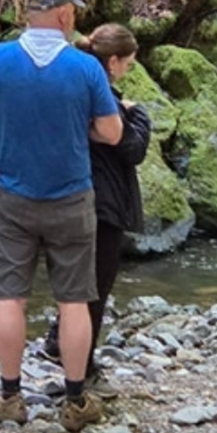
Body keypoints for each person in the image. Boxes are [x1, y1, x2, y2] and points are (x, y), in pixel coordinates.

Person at [0, 0, 123, 433]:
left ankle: (9, 397)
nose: (75, 18)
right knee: (75, 300)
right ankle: (75, 400)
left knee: (10, 297)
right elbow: (114, 132)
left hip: (12, 197)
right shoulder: (85, 68)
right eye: (73, 12)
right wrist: (84, 129)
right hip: (72, 199)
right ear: (63, 15)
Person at [44, 23, 151, 383]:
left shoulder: (74, 89)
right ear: (114, 61)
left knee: (77, 280)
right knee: (96, 289)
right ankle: (82, 368)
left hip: (70, 194)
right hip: (103, 202)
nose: (127, 72)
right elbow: (132, 148)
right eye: (128, 65)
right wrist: (139, 114)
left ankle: (60, 340)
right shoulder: (106, 98)